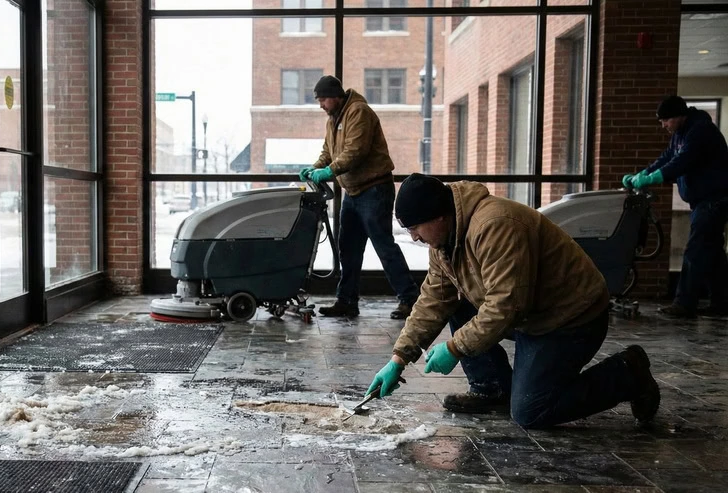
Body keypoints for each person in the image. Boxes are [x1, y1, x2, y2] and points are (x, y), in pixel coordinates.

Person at [365, 173, 661, 429]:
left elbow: (506, 305)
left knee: (531, 411)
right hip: (531, 312)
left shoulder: (495, 225)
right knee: (453, 300)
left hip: (570, 318)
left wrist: (456, 347)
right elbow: (434, 299)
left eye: (415, 228)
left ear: (438, 216)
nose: (414, 237)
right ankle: (492, 388)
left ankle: (627, 373)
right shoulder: (444, 241)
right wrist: (398, 359)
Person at [298, 75, 418, 320]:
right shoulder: (333, 119)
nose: (320, 105)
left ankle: (410, 300)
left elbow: (356, 151)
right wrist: (314, 168)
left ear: (335, 96)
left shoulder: (358, 112)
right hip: (352, 192)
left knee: (384, 246)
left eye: (322, 100)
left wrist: (329, 171)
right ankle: (347, 301)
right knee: (348, 249)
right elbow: (328, 152)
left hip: (374, 189)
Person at [622, 95, 728, 319]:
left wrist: (652, 178)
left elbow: (682, 162)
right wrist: (644, 173)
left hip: (715, 199)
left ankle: (684, 303)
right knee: (712, 252)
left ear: (679, 116)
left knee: (696, 249)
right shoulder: (681, 133)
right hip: (702, 200)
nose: (663, 126)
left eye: (665, 121)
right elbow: (667, 157)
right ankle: (722, 302)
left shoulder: (701, 131)